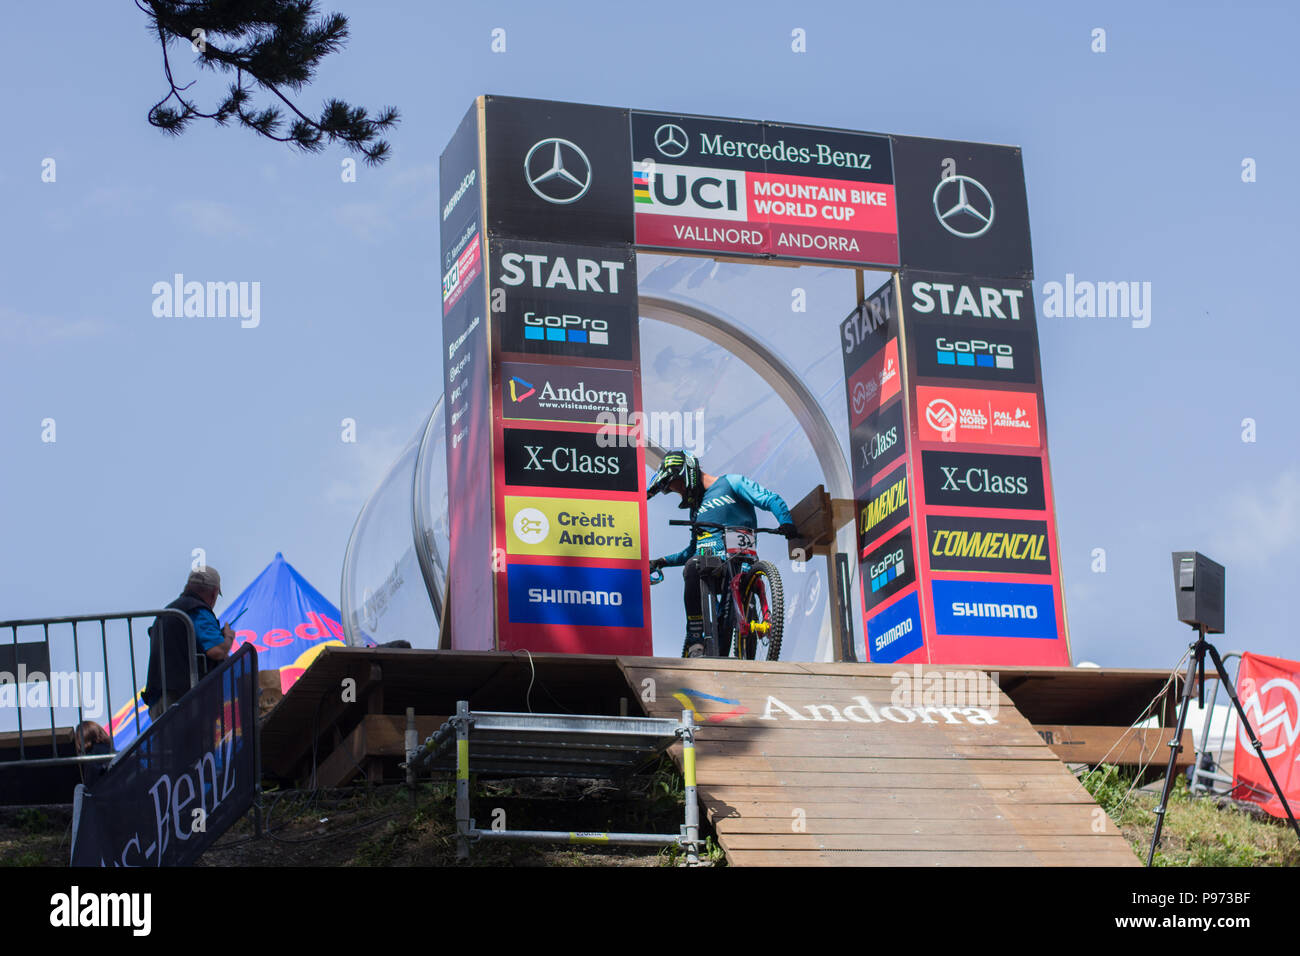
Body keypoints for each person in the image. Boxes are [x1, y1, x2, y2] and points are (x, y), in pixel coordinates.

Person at [647, 451, 796, 657]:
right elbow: (692, 550)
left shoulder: (731, 483)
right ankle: (695, 638)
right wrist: (663, 561)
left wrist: (786, 522)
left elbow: (770, 499)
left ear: (687, 473)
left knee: (724, 635)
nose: (680, 492)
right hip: (709, 565)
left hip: (742, 561)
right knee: (693, 564)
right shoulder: (696, 510)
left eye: (678, 485)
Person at [142, 566, 235, 718]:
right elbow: (217, 650)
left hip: (158, 702)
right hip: (183, 700)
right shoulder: (197, 610)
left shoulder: (168, 612)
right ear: (214, 593)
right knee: (196, 742)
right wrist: (228, 637)